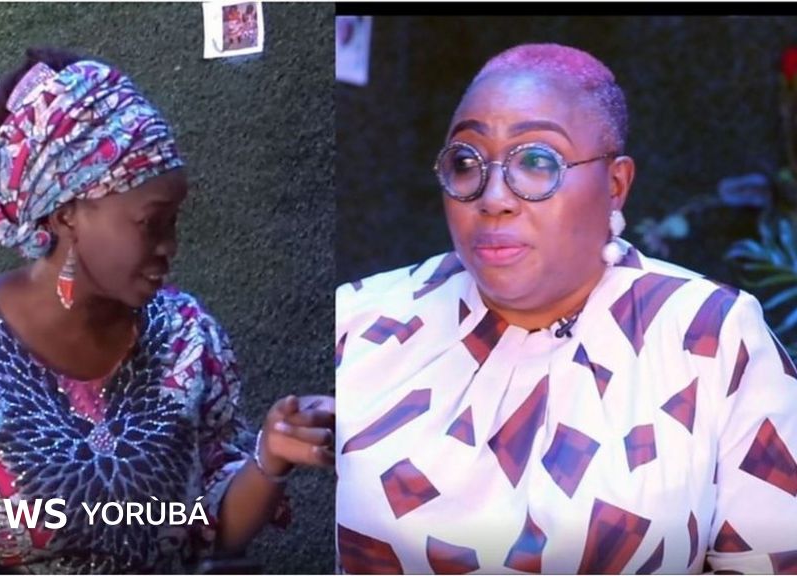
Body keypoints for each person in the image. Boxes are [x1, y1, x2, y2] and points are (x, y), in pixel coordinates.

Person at [0, 47, 334, 574]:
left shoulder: (188, 337)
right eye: (152, 222)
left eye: (175, 221)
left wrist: (271, 457)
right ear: (67, 211)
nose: (170, 246)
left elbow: (211, 530)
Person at [335, 43, 797, 574]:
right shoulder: (361, 322)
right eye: (466, 162)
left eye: (537, 161)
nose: (493, 197)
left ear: (616, 185)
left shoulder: (708, 335)